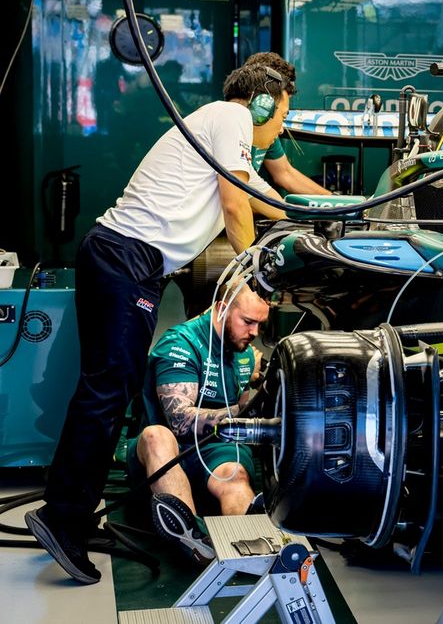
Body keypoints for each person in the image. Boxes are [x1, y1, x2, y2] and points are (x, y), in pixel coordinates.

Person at [25, 63, 289, 585]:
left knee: (107, 389)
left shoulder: (222, 133)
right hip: (127, 259)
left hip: (126, 261)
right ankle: (62, 518)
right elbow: (237, 204)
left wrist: (336, 215)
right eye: (281, 115)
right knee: (107, 391)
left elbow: (275, 197)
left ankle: (71, 511)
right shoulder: (231, 117)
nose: (281, 127)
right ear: (261, 103)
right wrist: (253, 275)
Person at [128, 285, 269, 564]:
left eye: (260, 324)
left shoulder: (242, 351)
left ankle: (249, 542)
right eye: (248, 322)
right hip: (166, 452)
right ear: (221, 309)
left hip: (214, 449)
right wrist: (247, 414)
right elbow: (179, 421)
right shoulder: (180, 343)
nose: (254, 333)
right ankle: (194, 537)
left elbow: (241, 403)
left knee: (235, 474)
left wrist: (255, 381)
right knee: (157, 436)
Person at [240, 52, 331, 196]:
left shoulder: (267, 130)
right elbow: (235, 200)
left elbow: (285, 173)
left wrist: (333, 201)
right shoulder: (232, 130)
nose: (281, 129)